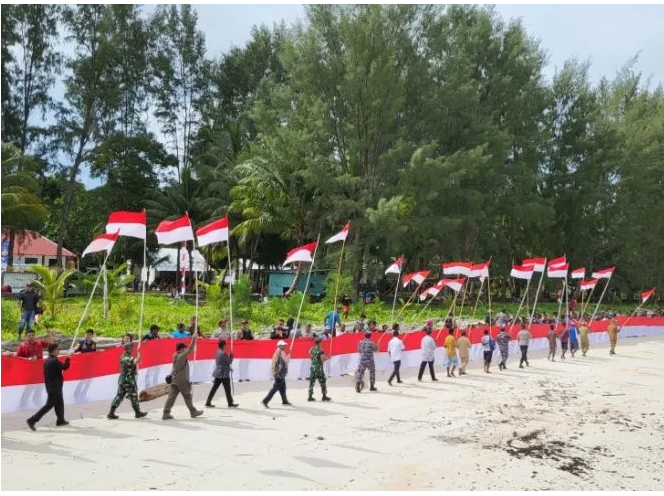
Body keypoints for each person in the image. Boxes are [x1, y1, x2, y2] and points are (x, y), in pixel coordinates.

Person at [26, 343, 72, 430]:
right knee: (49, 405)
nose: (59, 351)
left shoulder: (48, 360)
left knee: (59, 403)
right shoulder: (54, 361)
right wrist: (68, 358)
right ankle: (32, 420)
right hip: (54, 387)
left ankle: (60, 420)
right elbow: (65, 367)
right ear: (54, 351)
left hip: (53, 386)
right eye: (58, 349)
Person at [162, 336, 203, 420]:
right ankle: (193, 411)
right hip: (182, 380)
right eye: (184, 347)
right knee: (187, 396)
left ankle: (166, 413)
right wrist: (193, 340)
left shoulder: (175, 355)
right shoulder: (182, 356)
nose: (185, 348)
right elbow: (190, 349)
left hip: (175, 379)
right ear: (181, 349)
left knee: (171, 397)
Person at [107, 343, 147, 419]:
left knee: (119, 396)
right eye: (132, 348)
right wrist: (139, 352)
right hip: (129, 380)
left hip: (122, 379)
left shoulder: (122, 357)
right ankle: (137, 412)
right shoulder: (129, 358)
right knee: (134, 396)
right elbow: (139, 361)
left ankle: (111, 412)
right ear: (128, 348)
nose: (132, 349)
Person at [205, 340, 238, 408]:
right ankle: (230, 403)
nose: (226, 346)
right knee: (227, 389)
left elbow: (222, 362)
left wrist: (229, 368)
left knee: (214, 388)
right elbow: (229, 361)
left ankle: (208, 402)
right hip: (224, 374)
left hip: (218, 373)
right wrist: (231, 355)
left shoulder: (218, 352)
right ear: (223, 345)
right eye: (225, 345)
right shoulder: (223, 353)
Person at [262, 340, 291, 408]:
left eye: (284, 345)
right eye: (283, 345)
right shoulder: (282, 352)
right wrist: (289, 354)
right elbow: (287, 360)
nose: (285, 346)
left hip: (277, 372)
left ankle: (284, 400)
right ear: (279, 345)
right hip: (280, 373)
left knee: (283, 387)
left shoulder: (276, 351)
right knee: (275, 388)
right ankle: (265, 401)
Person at [308, 336, 331, 401]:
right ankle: (324, 396)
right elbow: (322, 359)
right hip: (319, 368)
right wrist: (328, 357)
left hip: (312, 367)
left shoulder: (312, 349)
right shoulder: (321, 350)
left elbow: (310, 354)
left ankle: (310, 396)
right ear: (319, 343)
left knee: (311, 382)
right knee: (322, 382)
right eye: (321, 342)